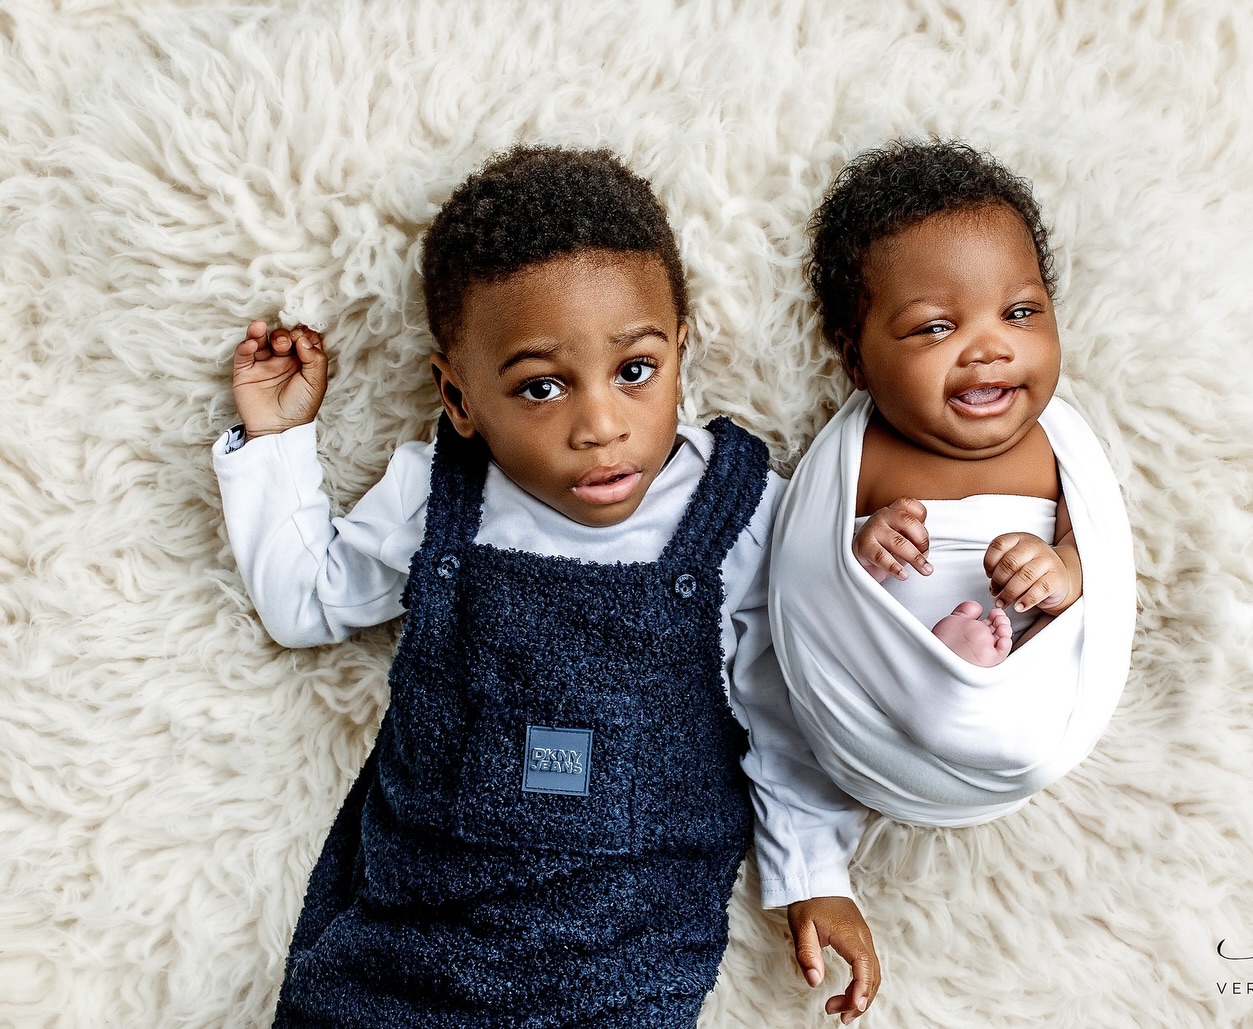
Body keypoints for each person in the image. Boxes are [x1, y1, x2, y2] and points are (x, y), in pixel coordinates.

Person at [213, 146, 879, 1026]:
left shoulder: (740, 508)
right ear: (458, 398)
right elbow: (308, 602)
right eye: (540, 387)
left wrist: (814, 876)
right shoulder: (438, 495)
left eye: (636, 370)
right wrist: (275, 442)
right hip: (424, 930)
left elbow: (784, 702)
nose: (600, 425)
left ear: (682, 350)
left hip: (628, 944)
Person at [769, 139, 1136, 828]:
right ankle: (942, 672)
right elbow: (812, 580)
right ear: (856, 359)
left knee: (1014, 683)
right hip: (891, 704)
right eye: (937, 326)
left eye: (1020, 313)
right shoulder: (861, 454)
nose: (988, 347)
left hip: (1028, 702)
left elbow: (1105, 567)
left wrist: (1061, 571)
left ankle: (968, 682)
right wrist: (867, 548)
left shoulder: (1058, 451)